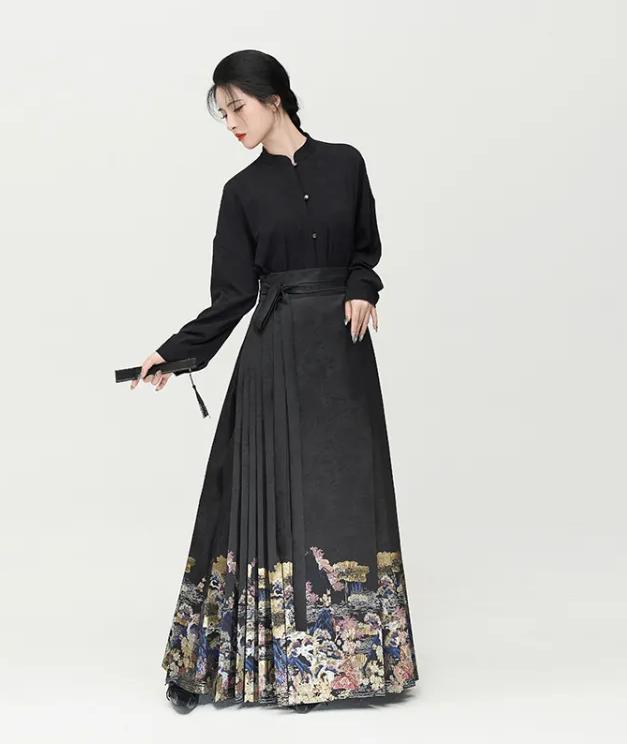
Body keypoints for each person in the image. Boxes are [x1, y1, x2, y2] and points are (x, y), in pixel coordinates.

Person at [132, 49, 419, 713]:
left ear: (275, 98)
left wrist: (362, 286)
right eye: (223, 113)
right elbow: (232, 294)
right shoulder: (241, 193)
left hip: (342, 355)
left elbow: (365, 249)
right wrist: (174, 354)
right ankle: (236, 663)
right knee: (254, 495)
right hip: (275, 353)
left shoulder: (346, 163)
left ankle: (348, 666)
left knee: (345, 493)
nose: (231, 122)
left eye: (238, 107)